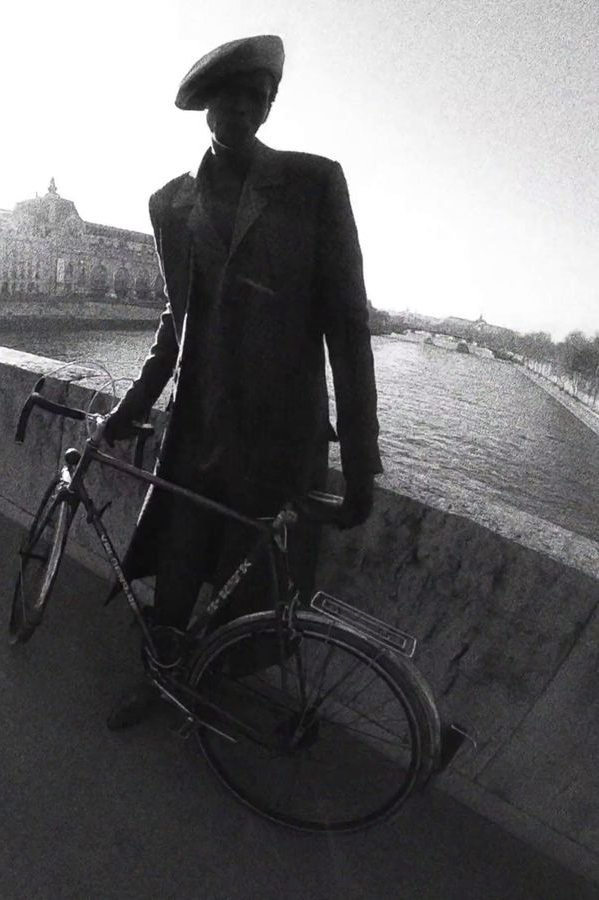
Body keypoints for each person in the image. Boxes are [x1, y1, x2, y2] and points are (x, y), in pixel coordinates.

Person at [95, 35, 383, 729]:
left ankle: (212, 683)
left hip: (280, 436)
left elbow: (347, 323)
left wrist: (361, 458)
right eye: (228, 96)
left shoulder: (314, 184)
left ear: (268, 107)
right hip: (197, 428)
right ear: (206, 108)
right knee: (181, 566)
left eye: (256, 97)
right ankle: (162, 679)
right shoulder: (170, 204)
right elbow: (177, 320)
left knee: (256, 588)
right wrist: (134, 407)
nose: (242, 108)